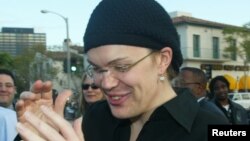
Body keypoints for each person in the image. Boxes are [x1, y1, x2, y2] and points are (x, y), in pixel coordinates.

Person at [15, 0, 228, 140]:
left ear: (163, 60)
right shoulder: (95, 120)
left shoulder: (219, 129)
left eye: (121, 66)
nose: (105, 83)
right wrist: (33, 133)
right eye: (97, 68)